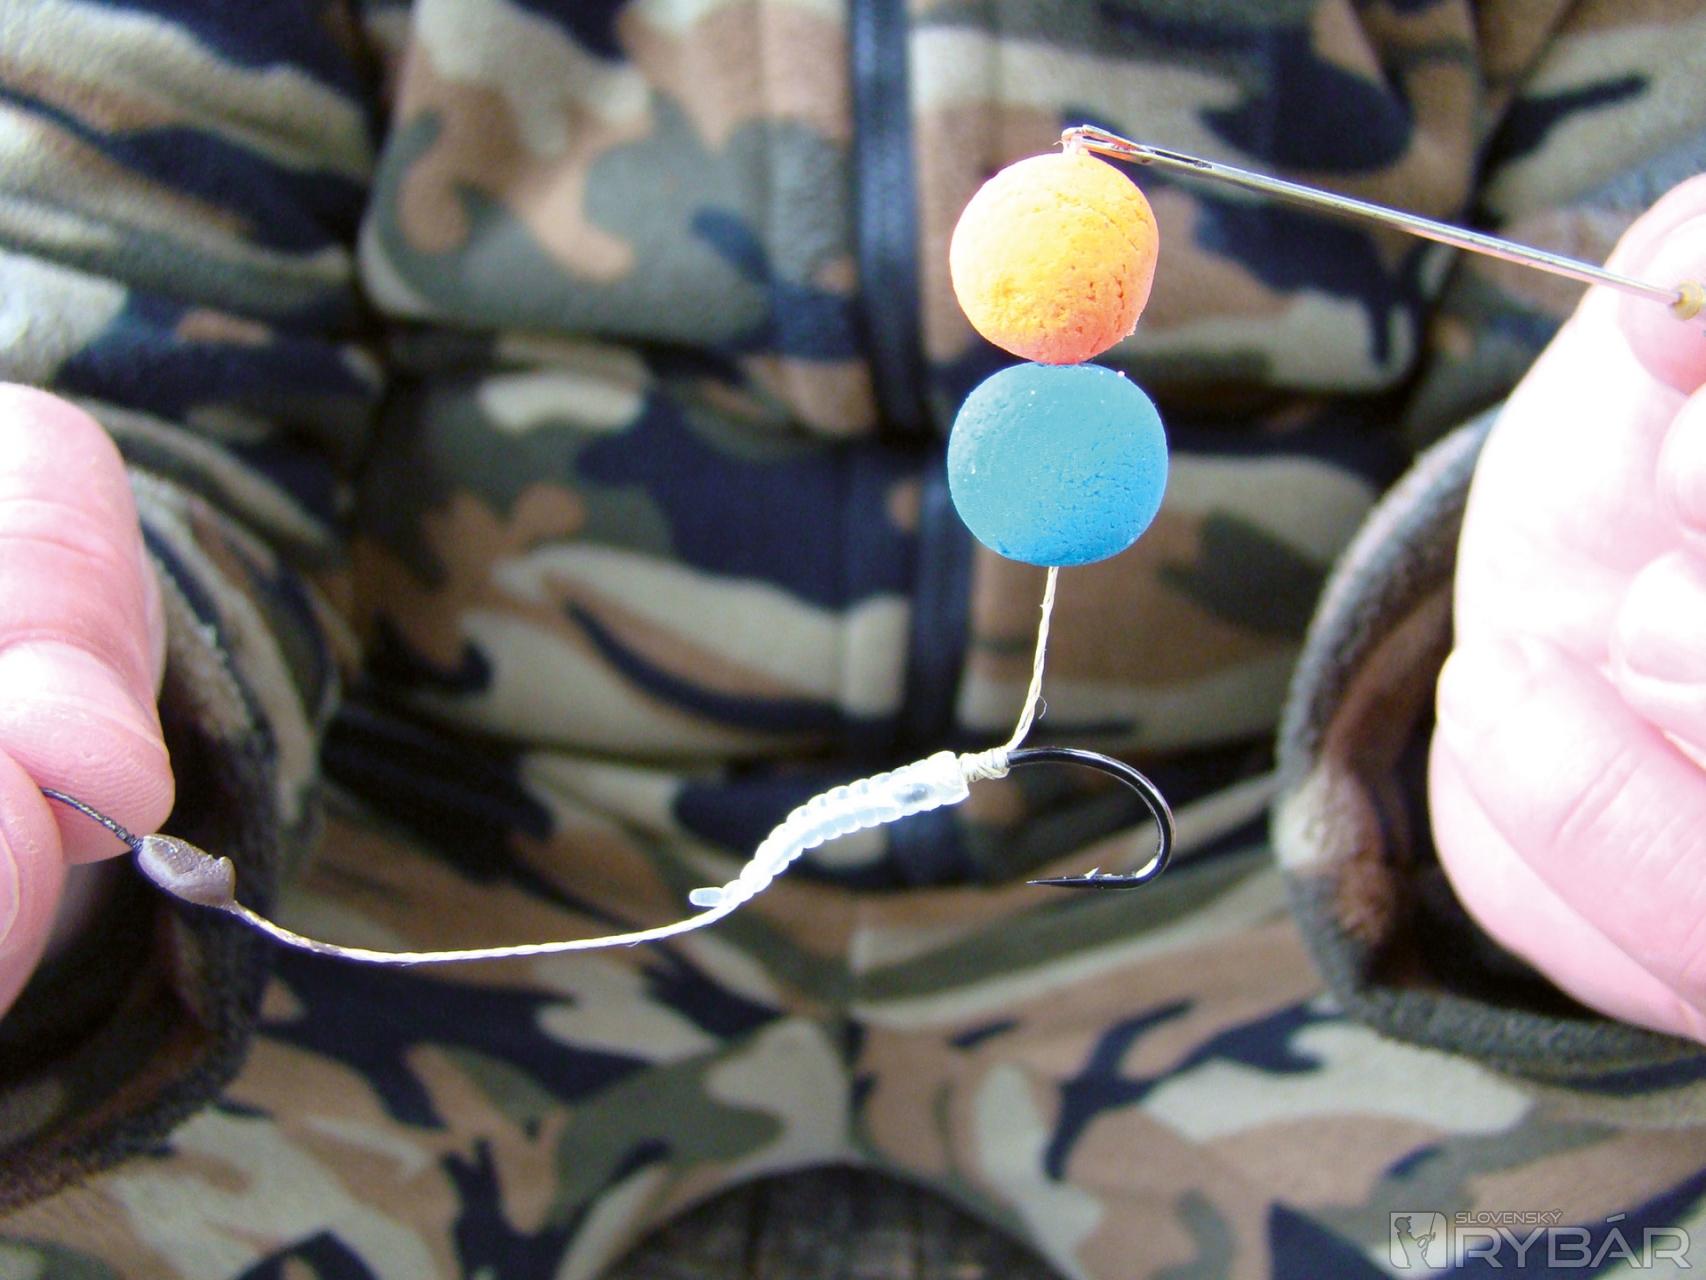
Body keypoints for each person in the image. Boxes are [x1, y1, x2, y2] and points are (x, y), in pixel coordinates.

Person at [2, 0, 1704, 1275]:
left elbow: (1600, 313)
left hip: (1263, 883)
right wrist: (87, 703)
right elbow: (105, 314)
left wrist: (1507, 696)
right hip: (417, 863)